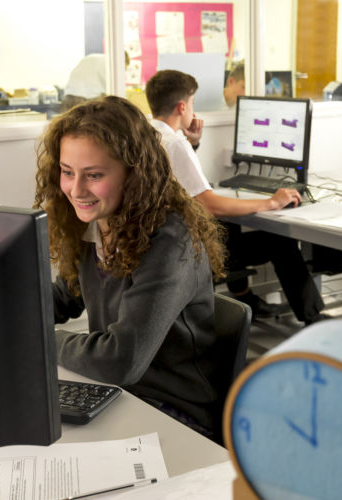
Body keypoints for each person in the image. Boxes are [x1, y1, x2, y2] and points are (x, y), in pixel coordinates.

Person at [34, 96, 227, 439]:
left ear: (133, 173)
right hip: (121, 394)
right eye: (67, 172)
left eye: (93, 175)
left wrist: (47, 340)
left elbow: (119, 360)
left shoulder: (171, 241)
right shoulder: (96, 223)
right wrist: (0, 316)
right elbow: (63, 298)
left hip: (175, 412)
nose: (76, 190)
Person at [146, 69, 326, 325]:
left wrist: (193, 144)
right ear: (182, 106)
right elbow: (209, 204)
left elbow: (177, 183)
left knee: (230, 229)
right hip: (185, 249)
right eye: (193, 104)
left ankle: (245, 297)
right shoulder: (175, 144)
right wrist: (271, 202)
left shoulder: (150, 134)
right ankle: (312, 318)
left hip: (160, 244)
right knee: (278, 240)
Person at [60, 52, 130, 112]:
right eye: (124, 68)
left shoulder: (94, 57)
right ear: (122, 61)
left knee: (67, 123)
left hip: (70, 94)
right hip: (86, 98)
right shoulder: (110, 64)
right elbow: (111, 89)